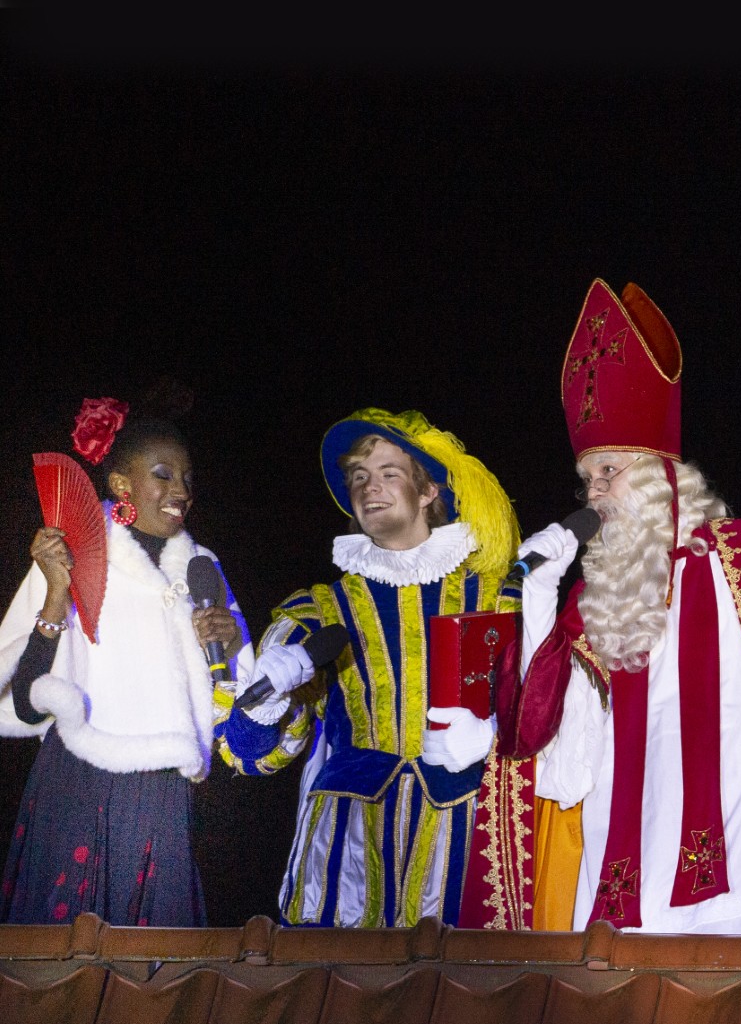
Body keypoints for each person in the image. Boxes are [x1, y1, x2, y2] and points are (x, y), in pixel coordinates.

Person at [481, 277, 741, 934]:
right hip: (614, 912)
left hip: (735, 899)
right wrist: (538, 600)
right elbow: (538, 745)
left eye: (609, 472)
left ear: (660, 472)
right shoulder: (597, 602)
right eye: (587, 478)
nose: (594, 494)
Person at [218, 408, 520, 928]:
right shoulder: (316, 611)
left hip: (468, 836)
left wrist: (493, 734)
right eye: (358, 477)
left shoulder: (500, 599)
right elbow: (250, 755)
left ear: (427, 491)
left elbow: (546, 714)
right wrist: (265, 705)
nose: (369, 487)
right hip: (349, 845)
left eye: (387, 473)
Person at [0, 397, 251, 926]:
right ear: (121, 484)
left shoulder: (202, 568)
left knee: (155, 957)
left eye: (187, 478)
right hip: (80, 781)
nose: (181, 490)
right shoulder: (76, 554)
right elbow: (24, 702)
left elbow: (235, 702)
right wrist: (56, 594)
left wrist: (229, 645)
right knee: (66, 954)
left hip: (162, 791)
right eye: (163, 474)